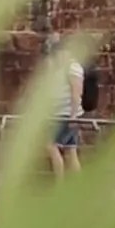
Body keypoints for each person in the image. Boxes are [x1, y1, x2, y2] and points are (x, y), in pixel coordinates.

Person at [45, 33, 84, 175]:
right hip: (60, 113)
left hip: (66, 114)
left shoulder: (73, 68)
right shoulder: (60, 67)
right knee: (70, 150)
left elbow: (76, 93)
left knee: (51, 146)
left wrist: (73, 115)